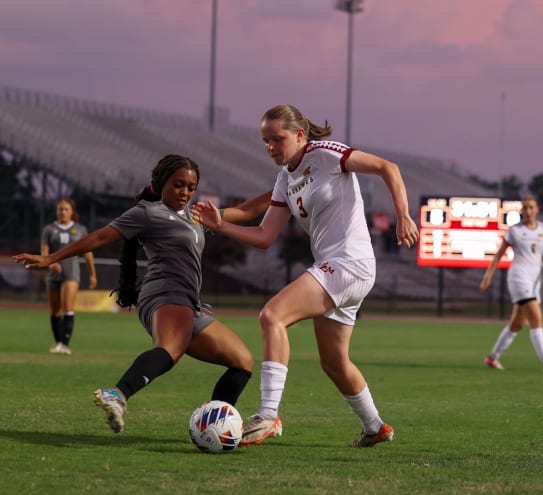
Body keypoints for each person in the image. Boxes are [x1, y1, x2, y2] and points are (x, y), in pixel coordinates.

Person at [191, 104, 419, 448]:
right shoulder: (285, 178)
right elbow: (266, 236)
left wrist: (403, 215)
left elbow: (388, 167)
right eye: (265, 141)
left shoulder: (326, 154)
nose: (270, 147)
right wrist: (221, 225)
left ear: (300, 135)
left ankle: (268, 415)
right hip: (339, 268)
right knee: (334, 362)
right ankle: (375, 428)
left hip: (349, 263)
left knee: (272, 316)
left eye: (277, 139)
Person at [15, 154, 271, 433]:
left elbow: (246, 210)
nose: (184, 191)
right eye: (178, 184)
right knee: (170, 350)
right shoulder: (148, 212)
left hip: (188, 302)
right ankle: (118, 394)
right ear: (162, 183)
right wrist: (52, 257)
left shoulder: (198, 214)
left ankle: (213, 427)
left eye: (190, 186)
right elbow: (100, 237)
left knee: (242, 361)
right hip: (164, 293)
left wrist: (287, 186)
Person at [479, 195, 543, 373]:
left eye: (531, 207)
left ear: (537, 209)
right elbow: (498, 255)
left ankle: (492, 357)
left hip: (534, 281)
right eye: (525, 208)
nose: (528, 211)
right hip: (518, 277)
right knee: (536, 318)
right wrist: (488, 277)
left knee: (517, 324)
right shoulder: (515, 231)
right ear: (521, 211)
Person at [41, 197, 97, 355]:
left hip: (71, 274)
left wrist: (93, 274)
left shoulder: (80, 229)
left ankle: (65, 344)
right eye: (60, 209)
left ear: (72, 212)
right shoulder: (49, 229)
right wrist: (51, 263)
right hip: (53, 275)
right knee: (54, 311)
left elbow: (88, 253)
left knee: (67, 308)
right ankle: (58, 342)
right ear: (56, 211)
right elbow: (44, 252)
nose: (63, 212)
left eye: (66, 209)